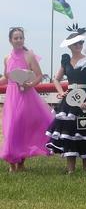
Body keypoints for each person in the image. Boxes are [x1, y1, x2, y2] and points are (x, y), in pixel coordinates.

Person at [46, 25, 86, 173]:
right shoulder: (65, 61)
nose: (79, 46)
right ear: (69, 45)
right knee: (70, 132)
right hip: (69, 100)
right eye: (76, 43)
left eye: (81, 43)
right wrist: (61, 92)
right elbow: (56, 79)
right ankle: (70, 169)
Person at [0, 27, 53, 172]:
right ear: (10, 40)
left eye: (20, 38)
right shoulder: (7, 58)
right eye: (15, 38)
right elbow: (7, 77)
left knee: (21, 127)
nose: (18, 40)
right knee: (10, 128)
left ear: (23, 39)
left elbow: (39, 75)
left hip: (26, 96)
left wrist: (30, 84)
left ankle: (21, 162)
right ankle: (12, 163)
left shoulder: (29, 55)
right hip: (11, 97)